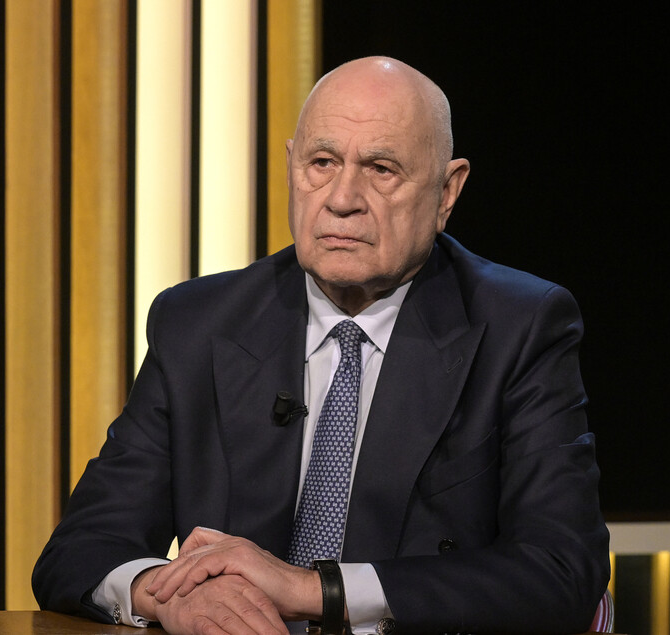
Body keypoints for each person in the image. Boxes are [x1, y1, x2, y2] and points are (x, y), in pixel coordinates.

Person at [33, 56, 609, 634]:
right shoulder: (197, 323)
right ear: (291, 167)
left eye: (381, 169)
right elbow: (79, 550)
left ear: (446, 192)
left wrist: (312, 589)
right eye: (322, 163)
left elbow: (561, 572)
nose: (341, 198)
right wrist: (165, 595)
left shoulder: (520, 326)